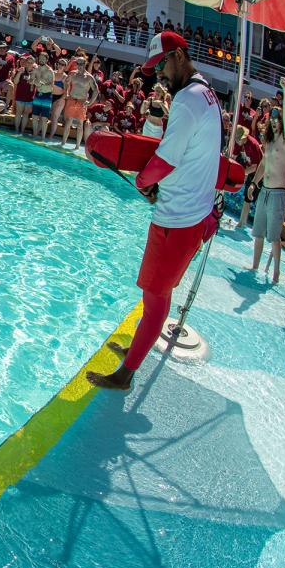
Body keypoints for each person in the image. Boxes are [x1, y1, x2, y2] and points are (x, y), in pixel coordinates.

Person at [88, 31, 221, 391]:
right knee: (158, 293)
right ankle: (137, 348)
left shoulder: (188, 100)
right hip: (188, 214)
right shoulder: (205, 93)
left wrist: (143, 181)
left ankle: (125, 375)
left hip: (179, 220)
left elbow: (166, 159)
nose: (159, 75)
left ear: (178, 55)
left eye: (161, 65)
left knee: (155, 295)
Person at [250, 78, 285, 284]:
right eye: (272, 118)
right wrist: (253, 183)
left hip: (277, 193)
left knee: (274, 237)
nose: (275, 121)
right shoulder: (268, 141)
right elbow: (263, 164)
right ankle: (255, 266)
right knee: (258, 233)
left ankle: (276, 274)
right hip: (264, 191)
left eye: (278, 118)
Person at [60, 55, 97, 150]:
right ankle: (63, 143)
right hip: (72, 99)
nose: (79, 65)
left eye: (81, 64)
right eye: (78, 63)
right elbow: (66, 82)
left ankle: (77, 146)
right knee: (68, 122)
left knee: (80, 124)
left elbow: (96, 91)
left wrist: (90, 102)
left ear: (85, 64)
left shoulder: (89, 77)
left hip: (82, 102)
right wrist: (66, 93)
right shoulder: (72, 73)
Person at [233, 125, 264, 229]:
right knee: (247, 197)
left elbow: (255, 167)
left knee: (255, 199)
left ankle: (254, 224)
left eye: (238, 139)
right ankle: (242, 222)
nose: (237, 141)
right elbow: (234, 156)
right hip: (249, 171)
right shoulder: (240, 143)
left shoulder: (253, 144)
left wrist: (242, 173)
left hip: (260, 174)